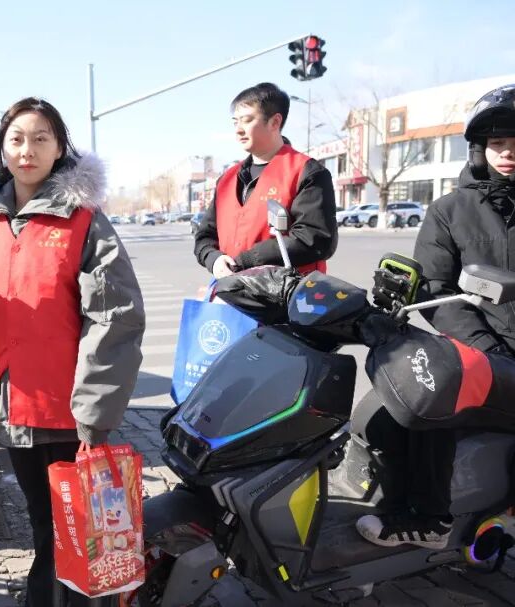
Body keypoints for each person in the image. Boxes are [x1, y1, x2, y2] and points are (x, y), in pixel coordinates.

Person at [0, 97, 145, 606]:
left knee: (77, 528)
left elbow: (116, 317)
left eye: (41, 138)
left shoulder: (84, 221)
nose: (27, 150)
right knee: (44, 522)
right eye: (16, 139)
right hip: (11, 400)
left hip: (68, 407)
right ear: (2, 149)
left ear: (60, 148)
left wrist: (95, 410)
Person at [357, 84, 515, 549]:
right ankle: (391, 500)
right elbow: (435, 288)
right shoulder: (450, 210)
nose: (508, 153)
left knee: (441, 401)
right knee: (404, 396)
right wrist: (483, 349)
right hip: (483, 351)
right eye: (498, 143)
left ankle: (430, 521)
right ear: (480, 149)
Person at [194, 82, 337, 276]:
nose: (238, 130)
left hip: (288, 292)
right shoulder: (227, 180)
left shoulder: (307, 172)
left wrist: (247, 261)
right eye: (235, 122)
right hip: (232, 289)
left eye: (247, 120)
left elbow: (315, 238)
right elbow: (205, 236)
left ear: (275, 122)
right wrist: (214, 259)